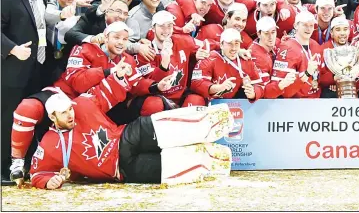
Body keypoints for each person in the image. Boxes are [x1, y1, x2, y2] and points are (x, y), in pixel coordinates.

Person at [28, 85, 233, 189]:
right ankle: (214, 161)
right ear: (52, 117)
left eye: (69, 109)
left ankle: (213, 120)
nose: (70, 114)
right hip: (123, 169)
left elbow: (108, 90)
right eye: (64, 113)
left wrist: (119, 75)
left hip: (126, 136)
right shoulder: (48, 144)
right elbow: (36, 173)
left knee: (166, 125)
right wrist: (48, 182)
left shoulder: (80, 104)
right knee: (176, 165)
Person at [1, 0, 50, 184]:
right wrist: (12, 49)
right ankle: (2, 169)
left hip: (36, 68)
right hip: (11, 71)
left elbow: (39, 22)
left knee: (31, 118)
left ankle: (27, 166)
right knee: (7, 120)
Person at [269, 11, 324, 98]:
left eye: (311, 25)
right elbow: (285, 91)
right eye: (305, 25)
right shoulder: (287, 48)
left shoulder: (316, 46)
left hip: (316, 100)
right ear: (295, 26)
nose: (309, 29)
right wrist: (306, 74)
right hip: (295, 103)